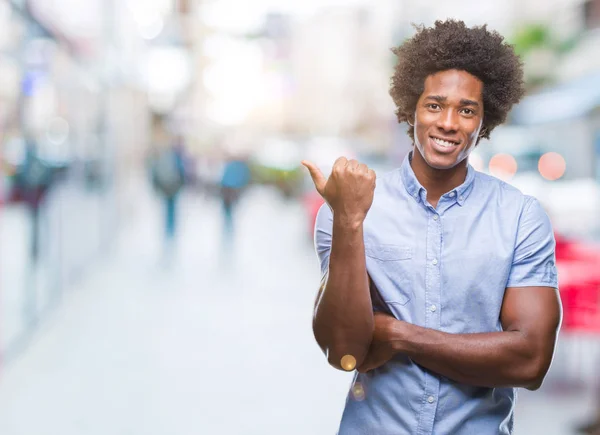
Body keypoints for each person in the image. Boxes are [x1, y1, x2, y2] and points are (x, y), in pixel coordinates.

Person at [302, 20, 562, 435]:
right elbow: (345, 350)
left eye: (467, 110)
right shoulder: (354, 209)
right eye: (435, 104)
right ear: (411, 108)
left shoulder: (519, 218)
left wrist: (400, 335)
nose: (448, 123)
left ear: (484, 120)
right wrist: (349, 220)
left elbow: (530, 362)